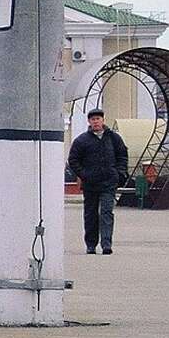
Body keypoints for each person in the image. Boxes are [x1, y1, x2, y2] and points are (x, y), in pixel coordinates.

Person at [66, 107, 130, 254]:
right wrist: (84, 174)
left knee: (106, 213)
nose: (96, 122)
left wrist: (119, 174)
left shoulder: (114, 138)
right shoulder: (82, 140)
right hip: (90, 184)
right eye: (93, 119)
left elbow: (122, 156)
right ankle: (91, 245)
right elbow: (73, 160)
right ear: (89, 122)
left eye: (98, 119)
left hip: (109, 182)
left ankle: (106, 244)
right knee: (91, 214)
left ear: (103, 120)